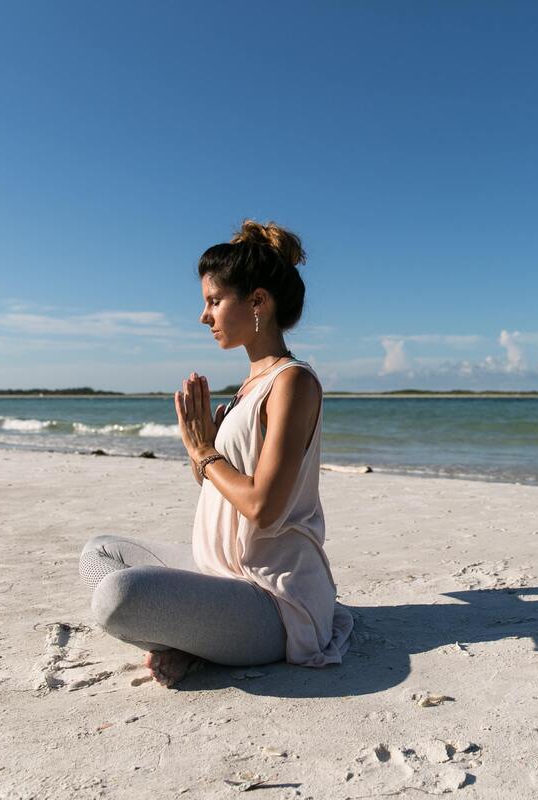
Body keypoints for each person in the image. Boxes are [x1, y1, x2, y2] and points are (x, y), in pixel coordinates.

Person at [77, 220, 353, 687]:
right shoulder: (248, 388)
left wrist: (205, 450)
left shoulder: (293, 383)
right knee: (99, 552)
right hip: (219, 571)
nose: (204, 316)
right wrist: (198, 449)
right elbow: (218, 487)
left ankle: (194, 642)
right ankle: (192, 640)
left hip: (269, 597)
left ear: (258, 302)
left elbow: (264, 509)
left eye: (214, 301)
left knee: (117, 600)